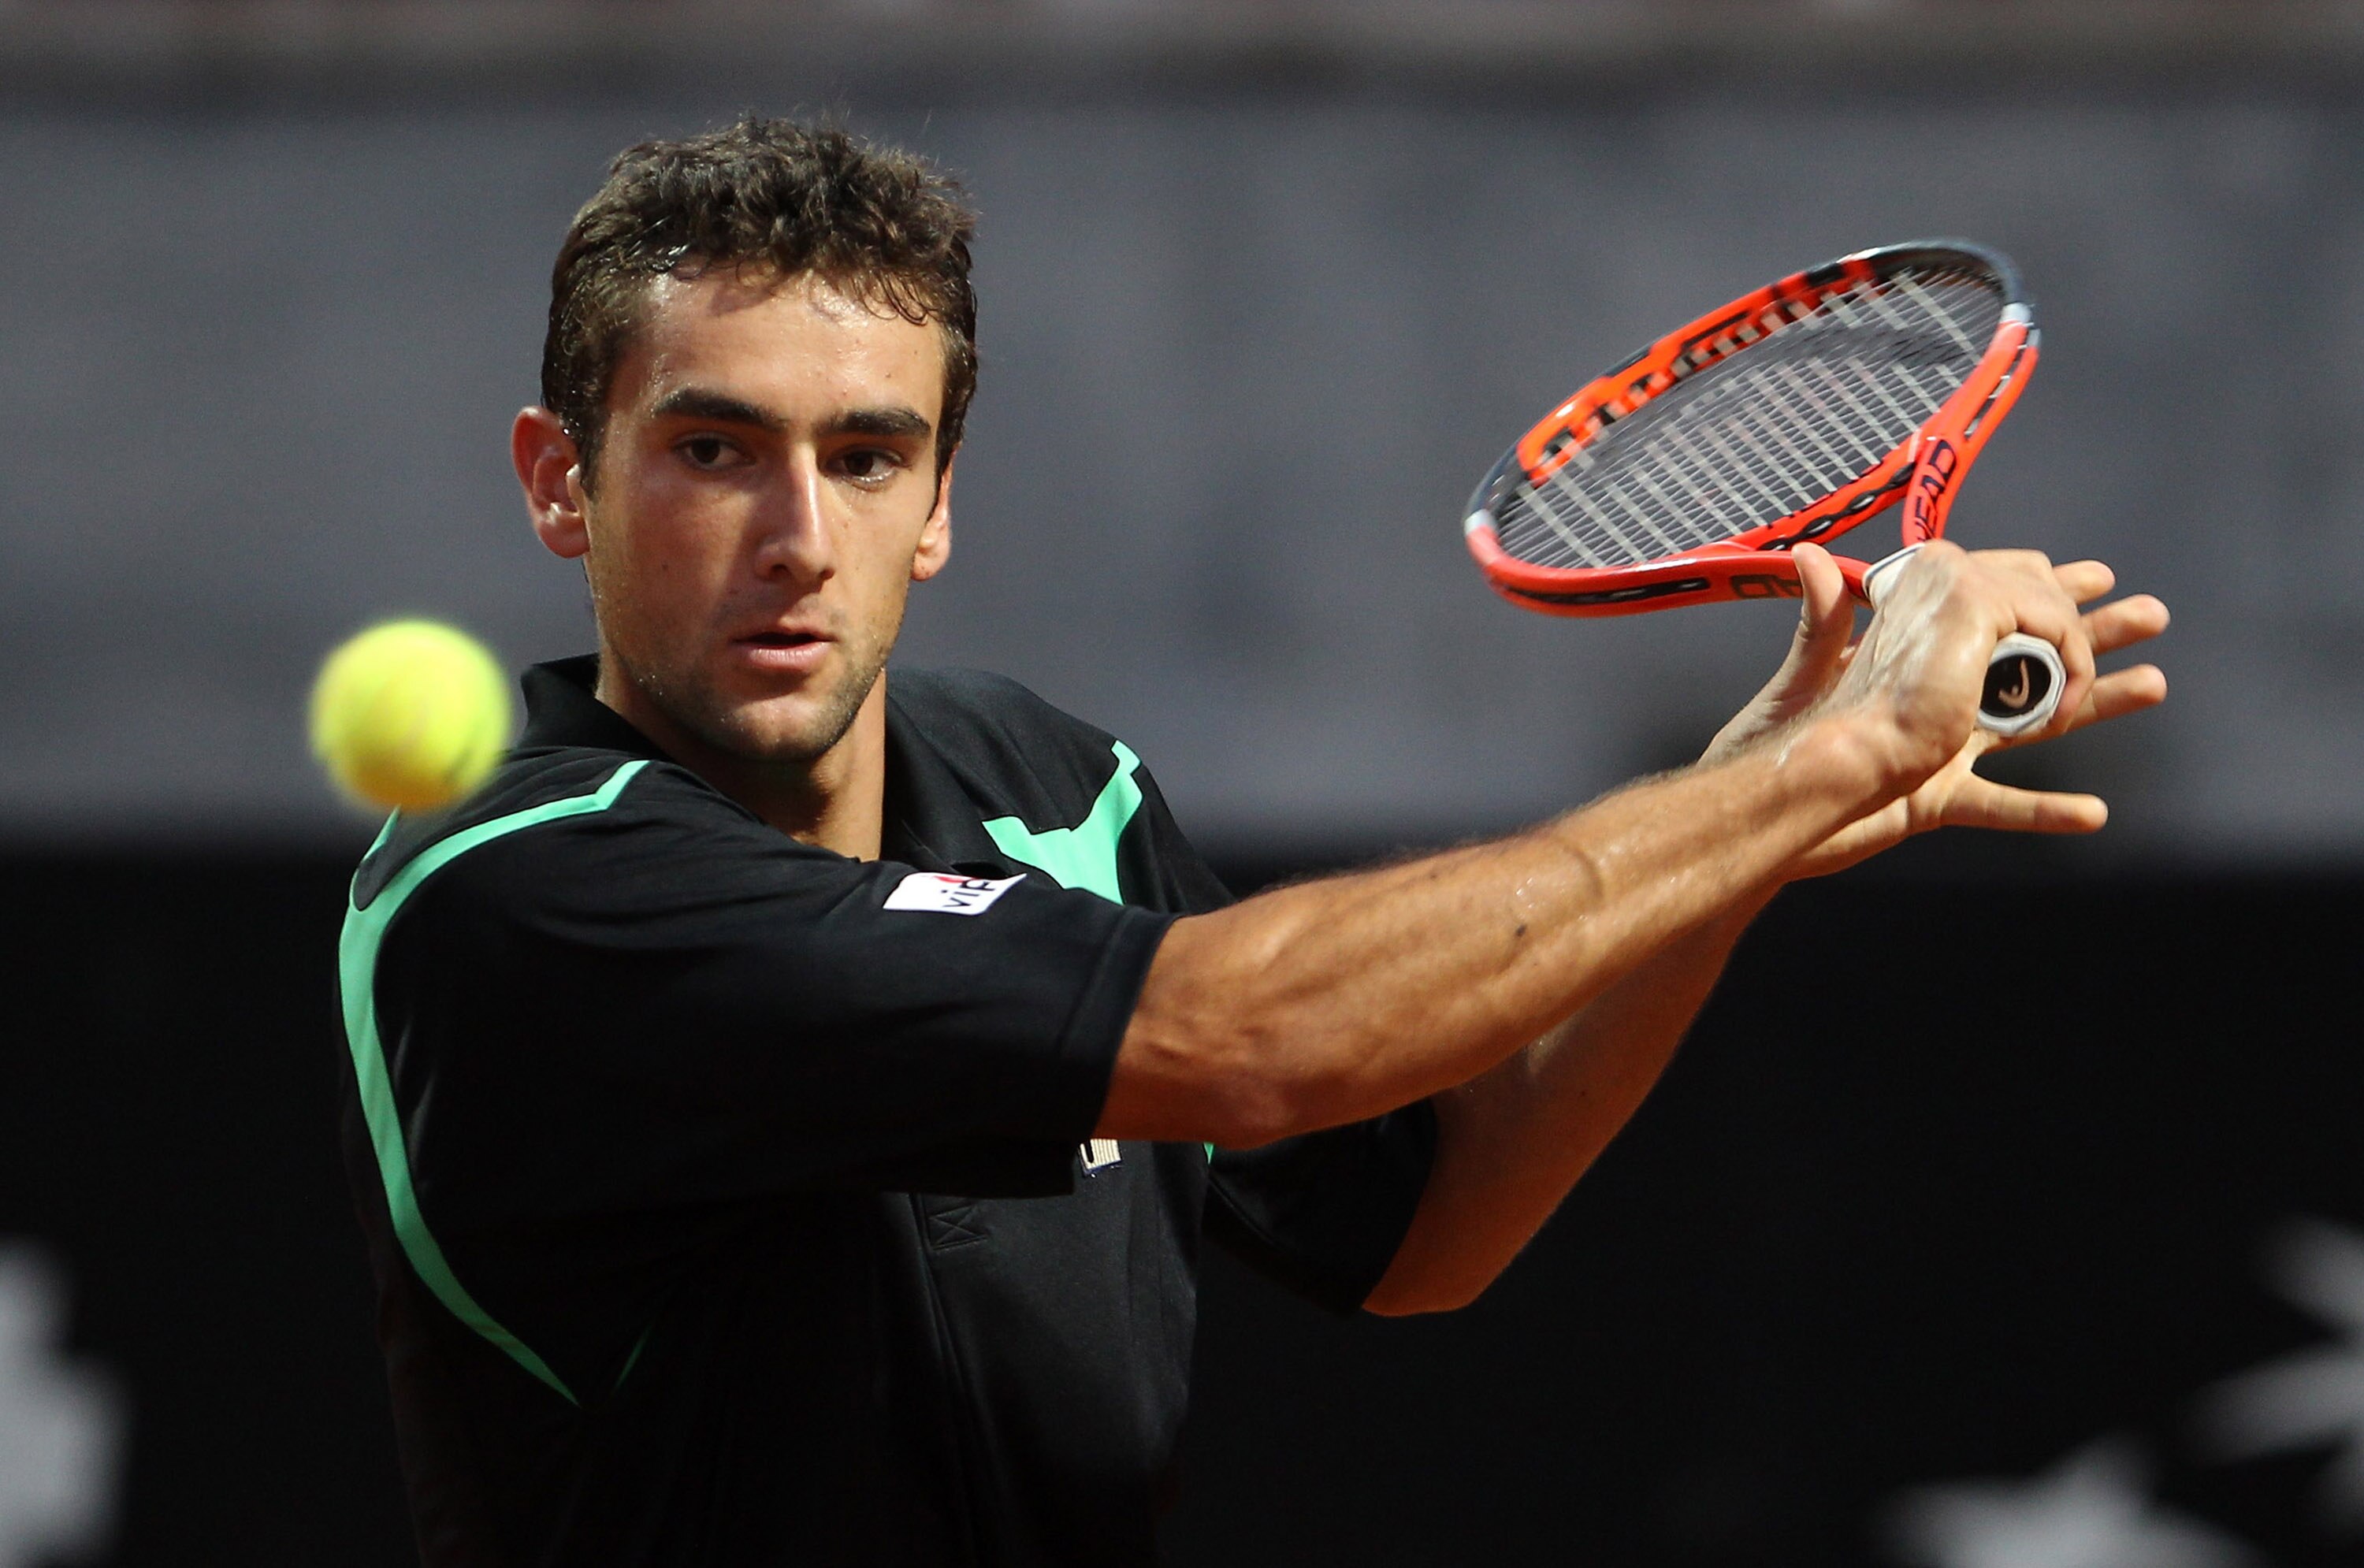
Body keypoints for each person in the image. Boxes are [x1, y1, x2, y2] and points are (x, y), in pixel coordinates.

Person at [336, 117, 2168, 1565]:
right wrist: (1821, 762)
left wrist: (1772, 794)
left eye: (871, 454)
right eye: (715, 449)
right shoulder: (516, 885)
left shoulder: (1047, 775)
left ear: (942, 503)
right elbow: (1246, 1036)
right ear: (561, 477)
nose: (802, 532)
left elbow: (1430, 1213)